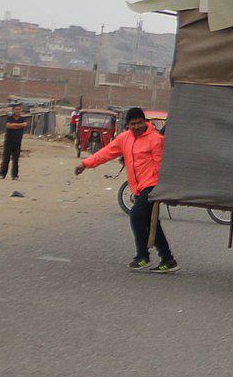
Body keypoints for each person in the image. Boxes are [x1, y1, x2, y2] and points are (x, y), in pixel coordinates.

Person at [75, 107, 177, 272]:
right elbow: (106, 153)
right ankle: (168, 259)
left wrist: (163, 189)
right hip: (137, 187)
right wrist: (86, 164)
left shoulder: (156, 140)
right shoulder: (124, 138)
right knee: (151, 224)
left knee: (136, 215)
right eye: (132, 124)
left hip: (152, 186)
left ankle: (142, 256)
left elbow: (160, 166)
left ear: (145, 122)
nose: (136, 127)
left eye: (139, 123)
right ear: (128, 125)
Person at [0, 104, 27, 179]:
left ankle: (15, 175)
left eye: (19, 109)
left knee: (15, 160)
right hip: (8, 141)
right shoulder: (9, 118)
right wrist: (19, 125)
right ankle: (2, 174)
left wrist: (14, 125)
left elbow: (24, 124)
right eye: (16, 109)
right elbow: (8, 126)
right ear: (13, 110)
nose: (18, 111)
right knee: (6, 159)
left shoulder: (23, 119)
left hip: (17, 142)